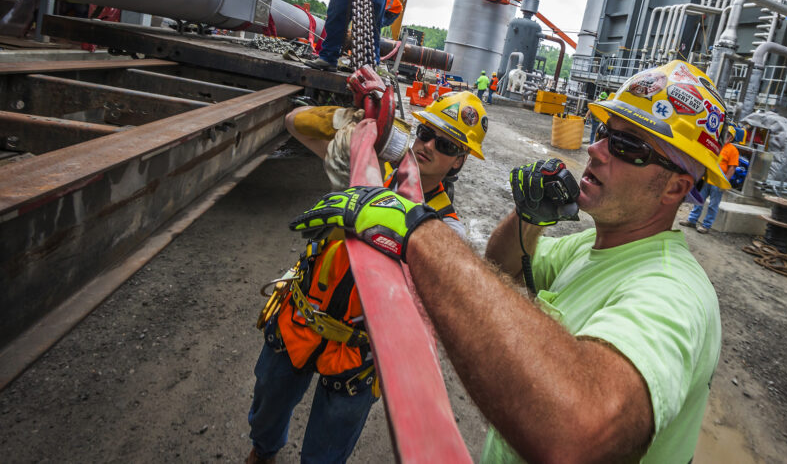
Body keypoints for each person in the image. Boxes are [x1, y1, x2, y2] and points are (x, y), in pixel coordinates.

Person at [290, 59, 730, 463]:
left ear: (676, 188)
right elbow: (503, 266)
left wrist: (418, 230)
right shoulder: (591, 246)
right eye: (601, 132)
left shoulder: (673, 291)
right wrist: (529, 216)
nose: (596, 150)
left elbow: (580, 434)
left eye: (626, 143)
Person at [246, 92, 488, 463]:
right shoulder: (367, 169)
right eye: (424, 132)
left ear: (459, 161)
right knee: (265, 414)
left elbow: (453, 286)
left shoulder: (446, 228)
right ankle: (263, 454)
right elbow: (296, 122)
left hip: (358, 354)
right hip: (299, 321)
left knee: (325, 454)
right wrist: (353, 119)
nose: (426, 145)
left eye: (444, 144)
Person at [683, 124, 739, 233]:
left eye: (729, 135)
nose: (726, 136)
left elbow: (732, 168)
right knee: (699, 200)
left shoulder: (733, 150)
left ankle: (706, 226)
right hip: (707, 178)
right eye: (725, 134)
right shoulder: (716, 145)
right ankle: (692, 220)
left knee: (713, 205)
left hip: (717, 182)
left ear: (731, 138)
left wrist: (723, 182)